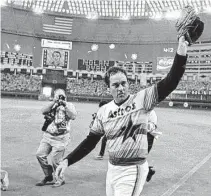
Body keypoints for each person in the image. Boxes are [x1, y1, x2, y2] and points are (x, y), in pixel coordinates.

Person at [55, 37, 188, 196]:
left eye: (124, 83)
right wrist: (67, 160)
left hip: (133, 169)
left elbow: (171, 81)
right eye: (116, 85)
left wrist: (181, 49)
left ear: (128, 83)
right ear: (108, 88)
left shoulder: (141, 99)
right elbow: (90, 141)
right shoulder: (104, 111)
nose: (121, 88)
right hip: (112, 169)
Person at [35, 89, 77, 188]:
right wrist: (54, 102)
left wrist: (64, 104)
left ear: (65, 96)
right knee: (40, 155)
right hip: (48, 136)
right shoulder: (52, 104)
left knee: (55, 160)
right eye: (58, 96)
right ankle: (48, 175)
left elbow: (73, 116)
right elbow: (43, 111)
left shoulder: (69, 105)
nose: (60, 98)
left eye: (62, 96)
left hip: (61, 137)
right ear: (54, 96)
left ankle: (60, 179)